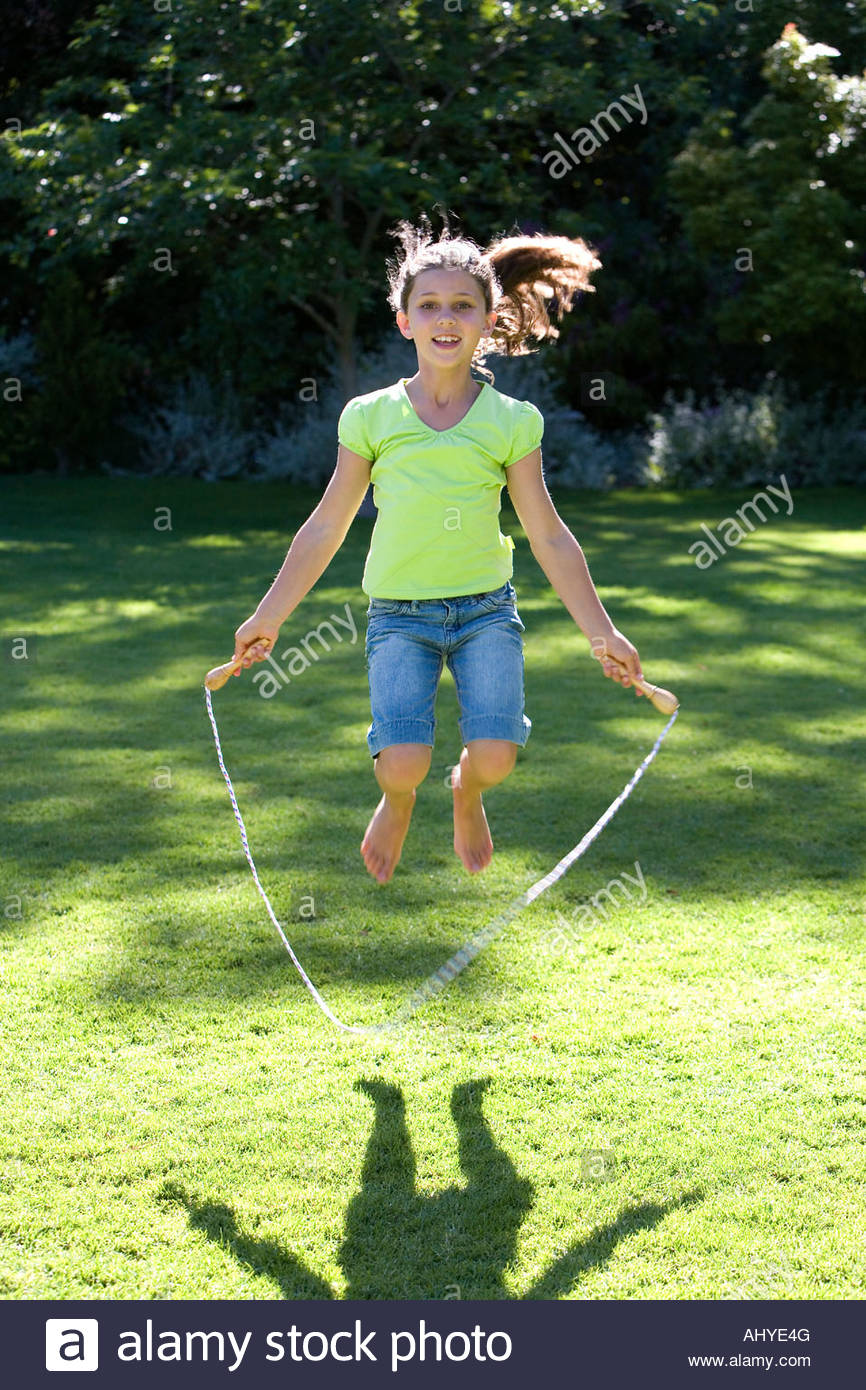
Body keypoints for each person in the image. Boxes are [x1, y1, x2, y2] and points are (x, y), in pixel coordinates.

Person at [231, 214, 645, 885]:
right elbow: (326, 524)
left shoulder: (512, 423)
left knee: (498, 755)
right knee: (400, 763)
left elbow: (547, 533)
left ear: (487, 318)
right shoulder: (370, 417)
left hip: (486, 610)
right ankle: (397, 802)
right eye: (428, 305)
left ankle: (467, 791)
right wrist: (268, 616)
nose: (444, 318)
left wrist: (602, 631)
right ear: (403, 321)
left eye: (462, 306)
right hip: (400, 615)